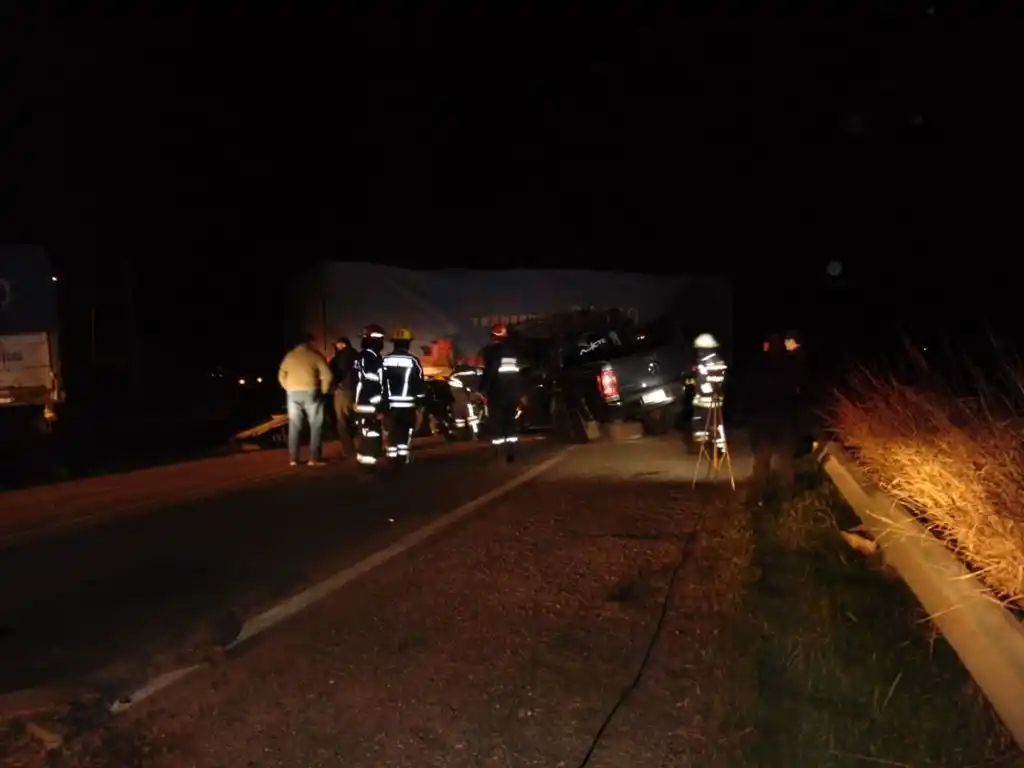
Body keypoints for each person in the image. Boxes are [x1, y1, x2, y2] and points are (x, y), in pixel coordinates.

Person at [746, 331, 806, 506]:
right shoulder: (793, 364)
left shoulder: (758, 365)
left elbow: (749, 392)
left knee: (761, 460)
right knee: (786, 460)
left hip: (763, 420)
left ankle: (756, 499)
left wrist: (748, 415)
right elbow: (801, 389)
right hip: (785, 419)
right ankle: (787, 500)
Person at [277, 333, 333, 467]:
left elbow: (281, 375)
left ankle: (294, 459)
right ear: (308, 342)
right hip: (310, 392)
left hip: (292, 393)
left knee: (294, 426)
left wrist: (288, 388)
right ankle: (314, 458)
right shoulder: (315, 355)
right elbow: (328, 375)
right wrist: (324, 391)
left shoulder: (289, 356)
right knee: (315, 425)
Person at [382, 327, 426, 464]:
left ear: (394, 343)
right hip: (408, 405)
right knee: (404, 432)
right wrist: (421, 402)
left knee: (391, 432)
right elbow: (418, 383)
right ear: (408, 344)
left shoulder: (385, 360)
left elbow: (380, 382)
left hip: (389, 405)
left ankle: (391, 457)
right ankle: (402, 459)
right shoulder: (413, 361)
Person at [479, 322, 522, 462]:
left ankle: (499, 451)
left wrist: (483, 389)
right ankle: (511, 451)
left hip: (497, 392)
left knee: (497, 422)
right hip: (512, 393)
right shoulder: (513, 351)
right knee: (509, 422)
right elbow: (517, 374)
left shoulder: (491, 351)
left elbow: (489, 372)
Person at [353, 323, 386, 465]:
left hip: (361, 402)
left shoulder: (361, 356)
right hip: (370, 404)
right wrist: (379, 405)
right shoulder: (371, 358)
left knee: (365, 432)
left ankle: (364, 459)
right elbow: (373, 383)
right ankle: (368, 465)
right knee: (371, 434)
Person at [690, 333, 728, 450]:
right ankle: (711, 444)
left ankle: (717, 445)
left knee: (711, 422)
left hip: (708, 400)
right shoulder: (713, 361)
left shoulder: (710, 363)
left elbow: (710, 381)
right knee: (709, 422)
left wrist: (704, 389)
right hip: (708, 399)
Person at [329, 337, 357, 457]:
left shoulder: (340, 358)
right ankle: (363, 445)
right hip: (357, 391)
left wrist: (332, 386)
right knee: (355, 418)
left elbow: (335, 374)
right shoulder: (357, 355)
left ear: (342, 344)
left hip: (343, 391)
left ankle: (348, 449)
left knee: (342, 420)